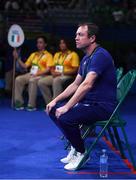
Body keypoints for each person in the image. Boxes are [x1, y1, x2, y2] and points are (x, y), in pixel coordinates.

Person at [46, 23, 117, 170]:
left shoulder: (100, 55)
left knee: (65, 117)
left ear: (92, 38)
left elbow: (87, 84)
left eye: (80, 35)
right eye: (76, 34)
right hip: (89, 104)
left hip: (102, 107)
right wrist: (55, 100)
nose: (76, 37)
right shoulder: (85, 59)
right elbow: (75, 84)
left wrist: (67, 106)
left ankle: (81, 153)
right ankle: (75, 145)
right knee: (52, 110)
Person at [14, 36, 53, 111]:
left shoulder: (49, 55)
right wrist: (17, 58)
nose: (38, 44)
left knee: (32, 80)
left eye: (41, 42)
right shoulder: (33, 54)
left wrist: (37, 74)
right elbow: (25, 66)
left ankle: (31, 104)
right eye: (38, 42)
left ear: (45, 44)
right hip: (31, 74)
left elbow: (48, 69)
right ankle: (19, 102)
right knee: (18, 79)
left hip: (42, 75)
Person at [38, 38, 79, 105]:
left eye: (63, 43)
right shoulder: (57, 54)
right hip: (56, 74)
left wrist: (61, 73)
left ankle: (56, 104)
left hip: (67, 75)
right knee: (41, 82)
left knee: (56, 80)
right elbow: (52, 67)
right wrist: (53, 72)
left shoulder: (73, 54)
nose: (61, 45)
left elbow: (75, 69)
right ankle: (49, 103)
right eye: (60, 43)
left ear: (67, 44)